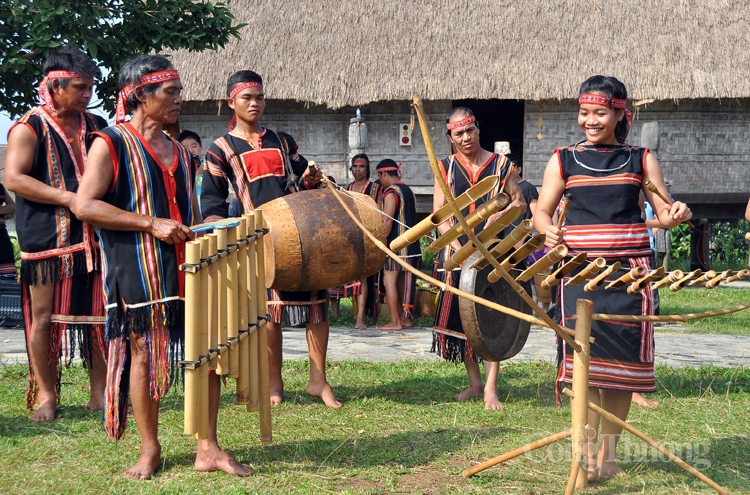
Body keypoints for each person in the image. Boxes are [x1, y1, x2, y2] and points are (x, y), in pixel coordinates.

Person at [73, 55, 252, 479]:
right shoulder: (111, 142)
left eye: (178, 91)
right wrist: (151, 223)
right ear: (140, 95)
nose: (179, 99)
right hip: (138, 269)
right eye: (170, 92)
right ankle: (149, 449)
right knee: (144, 355)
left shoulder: (183, 155)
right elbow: (85, 205)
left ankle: (208, 448)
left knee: (208, 354)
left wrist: (213, 224)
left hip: (189, 269)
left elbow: (190, 215)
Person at [534, 75, 691, 481]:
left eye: (600, 113)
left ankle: (608, 456)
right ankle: (583, 456)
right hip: (580, 276)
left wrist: (675, 213)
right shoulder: (563, 158)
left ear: (620, 113)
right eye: (584, 113)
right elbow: (541, 210)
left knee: (621, 369)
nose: (590, 120)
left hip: (629, 278)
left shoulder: (640, 158)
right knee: (583, 366)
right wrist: (546, 226)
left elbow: (663, 207)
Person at [201, 70, 341, 408]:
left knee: (316, 307)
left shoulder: (283, 140)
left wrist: (310, 177)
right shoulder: (220, 150)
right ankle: (274, 383)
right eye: (247, 97)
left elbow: (303, 184)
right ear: (231, 101)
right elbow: (212, 202)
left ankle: (318, 380)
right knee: (269, 313)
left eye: (259, 97)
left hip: (302, 233)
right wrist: (220, 237)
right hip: (259, 240)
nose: (255, 103)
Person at [5, 47, 107, 421]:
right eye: (79, 87)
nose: (87, 94)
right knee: (43, 317)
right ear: (54, 85)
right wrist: (70, 198)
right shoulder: (28, 126)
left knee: (99, 314)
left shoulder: (95, 126)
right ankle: (47, 394)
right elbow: (14, 178)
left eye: (90, 87)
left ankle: (100, 393)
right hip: (46, 238)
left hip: (94, 239)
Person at [431, 107, 525, 410]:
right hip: (458, 253)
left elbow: (519, 203)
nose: (466, 137)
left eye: (469, 130)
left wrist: (503, 212)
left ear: (478, 129)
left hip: (493, 251)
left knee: (491, 317)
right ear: (451, 136)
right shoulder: (444, 168)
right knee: (465, 320)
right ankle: (474, 384)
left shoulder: (501, 165)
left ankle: (491, 389)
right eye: (459, 133)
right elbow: (439, 216)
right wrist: (458, 247)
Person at [329, 153, 382, 327]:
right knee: (351, 276)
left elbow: (380, 213)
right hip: (350, 238)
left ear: (367, 169)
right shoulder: (347, 188)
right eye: (355, 166)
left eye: (361, 166)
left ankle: (360, 318)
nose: (358, 170)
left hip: (368, 238)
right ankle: (348, 314)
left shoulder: (375, 189)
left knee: (364, 277)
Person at [376, 159, 421, 331]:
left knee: (389, 282)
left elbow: (387, 220)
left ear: (384, 174)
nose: (379, 180)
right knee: (401, 282)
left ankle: (395, 321)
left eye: (379, 176)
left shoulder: (390, 192)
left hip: (396, 245)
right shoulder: (408, 190)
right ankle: (404, 319)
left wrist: (380, 243)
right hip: (411, 245)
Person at [178, 130, 204, 199]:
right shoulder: (178, 172)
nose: (190, 151)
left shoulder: (211, 168)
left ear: (201, 146)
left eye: (194, 146)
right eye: (185, 148)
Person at [0, 184, 17, 276]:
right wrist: (4, 210)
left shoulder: (0, 187)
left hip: (1, 235)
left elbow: (12, 205)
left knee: (7, 275)